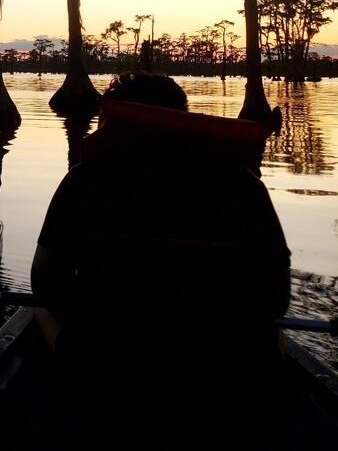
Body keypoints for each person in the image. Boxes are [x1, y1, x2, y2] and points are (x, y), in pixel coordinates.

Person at [31, 71, 291, 440]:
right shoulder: (242, 184)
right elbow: (277, 299)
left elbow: (44, 282)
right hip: (227, 365)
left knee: (38, 308)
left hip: (107, 364)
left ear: (113, 118)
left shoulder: (86, 180)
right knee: (271, 335)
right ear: (183, 119)